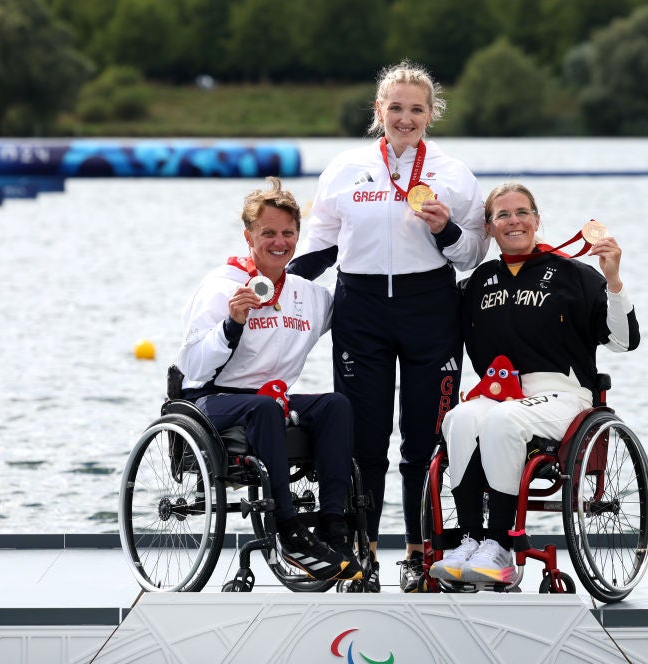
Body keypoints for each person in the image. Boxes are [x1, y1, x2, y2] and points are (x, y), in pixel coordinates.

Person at [288, 60, 489, 592]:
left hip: (431, 310)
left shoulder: (454, 174)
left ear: (431, 115)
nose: (405, 118)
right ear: (379, 110)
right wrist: (273, 284)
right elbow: (319, 246)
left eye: (416, 109)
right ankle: (364, 553)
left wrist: (446, 228)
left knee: (424, 439)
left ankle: (422, 555)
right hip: (362, 308)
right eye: (395, 107)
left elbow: (471, 254)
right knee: (364, 440)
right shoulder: (345, 168)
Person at [428, 183, 641, 584]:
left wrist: (612, 280)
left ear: (538, 219)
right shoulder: (476, 283)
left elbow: (623, 341)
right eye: (502, 215)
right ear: (488, 228)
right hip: (497, 392)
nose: (514, 221)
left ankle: (501, 546)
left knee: (503, 421)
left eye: (522, 212)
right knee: (457, 419)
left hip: (563, 394)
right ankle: (471, 540)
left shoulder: (573, 273)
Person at [176, 177, 360, 583]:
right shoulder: (222, 287)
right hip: (211, 399)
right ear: (249, 236)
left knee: (335, 405)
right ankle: (288, 529)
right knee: (263, 409)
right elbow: (192, 364)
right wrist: (231, 324)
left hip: (268, 401)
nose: (279, 242)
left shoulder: (307, 295)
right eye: (268, 233)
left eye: (288, 233)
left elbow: (360, 313)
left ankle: (334, 525)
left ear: (298, 236)